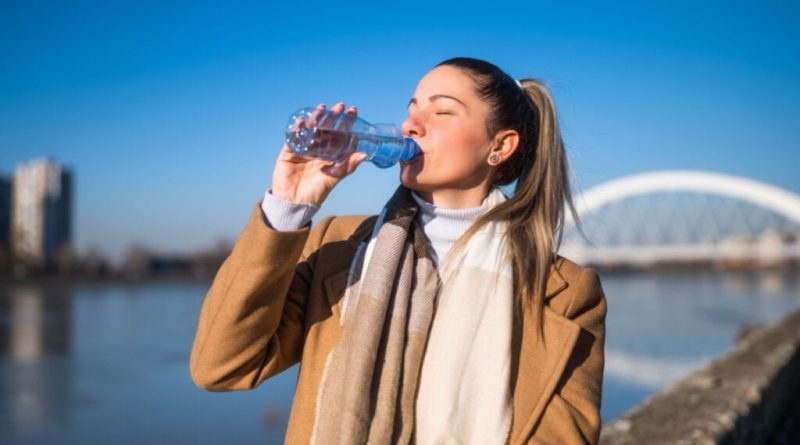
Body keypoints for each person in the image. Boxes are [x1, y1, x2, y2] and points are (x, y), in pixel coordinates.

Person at [190, 57, 607, 444]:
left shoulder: (566, 292)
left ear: (500, 146)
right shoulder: (339, 246)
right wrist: (288, 204)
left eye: (441, 111)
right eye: (412, 108)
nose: (411, 125)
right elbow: (222, 366)